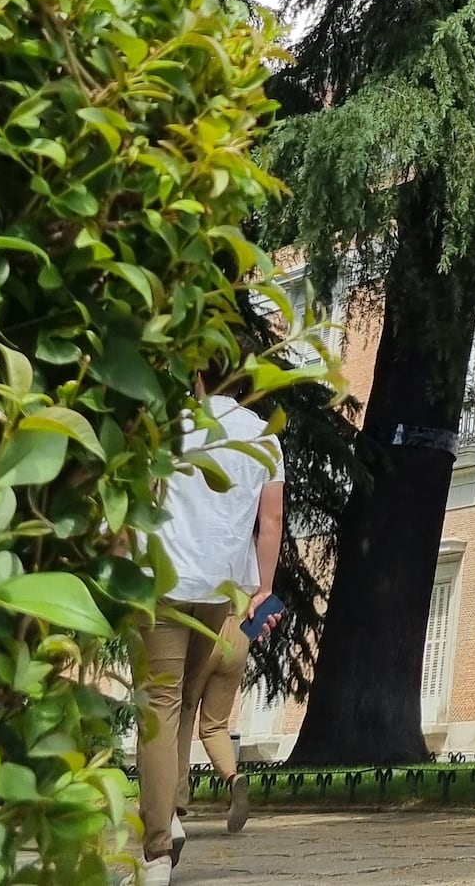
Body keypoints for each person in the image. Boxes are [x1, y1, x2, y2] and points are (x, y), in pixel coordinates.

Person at [134, 379, 283, 885]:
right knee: (183, 703)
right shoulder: (264, 438)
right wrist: (263, 589)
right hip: (219, 590)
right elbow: (270, 522)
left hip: (164, 580)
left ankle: (157, 847)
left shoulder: (169, 426)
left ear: (199, 375)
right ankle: (171, 813)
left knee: (160, 704)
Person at [193, 614, 253, 834]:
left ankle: (173, 805)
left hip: (206, 627)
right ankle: (232, 777)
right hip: (239, 634)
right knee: (215, 725)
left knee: (179, 717)